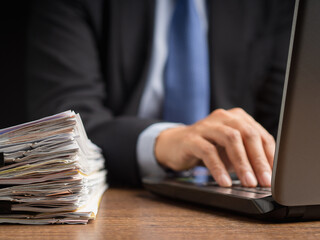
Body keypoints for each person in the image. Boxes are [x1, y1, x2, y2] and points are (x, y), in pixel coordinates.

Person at [26, 0, 295, 187]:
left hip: (235, 186)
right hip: (119, 190)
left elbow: (287, 121)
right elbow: (65, 121)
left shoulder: (273, 6)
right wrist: (165, 141)